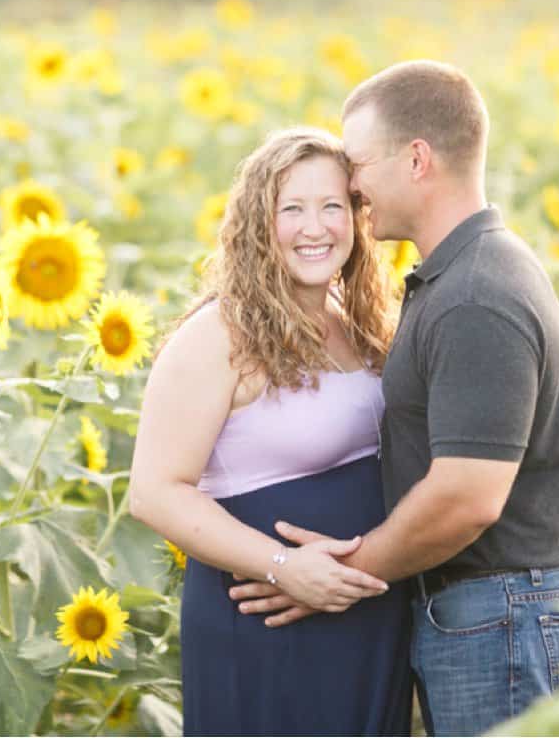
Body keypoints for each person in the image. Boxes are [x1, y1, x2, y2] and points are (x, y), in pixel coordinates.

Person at [229, 60, 559, 736]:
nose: (352, 185)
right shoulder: (463, 274)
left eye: (359, 164)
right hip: (497, 618)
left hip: (508, 619)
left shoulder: (474, 294)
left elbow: (468, 496)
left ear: (417, 159)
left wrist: (341, 577)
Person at [128, 126, 413, 736]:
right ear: (260, 222)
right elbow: (154, 491)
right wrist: (285, 567)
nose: (316, 228)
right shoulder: (217, 335)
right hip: (268, 619)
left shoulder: (355, 319)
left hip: (364, 616)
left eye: (332, 206)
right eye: (293, 209)